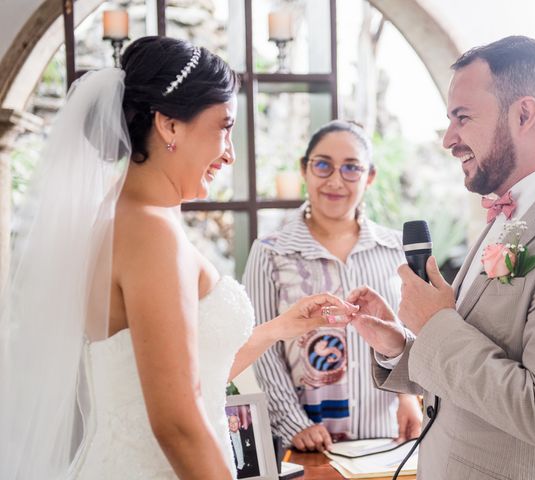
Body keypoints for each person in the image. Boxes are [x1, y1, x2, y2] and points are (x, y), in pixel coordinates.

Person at [0, 36, 357, 480]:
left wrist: (284, 327)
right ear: (170, 126)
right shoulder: (150, 231)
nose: (229, 152)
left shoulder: (126, 215)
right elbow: (177, 423)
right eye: (224, 127)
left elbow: (183, 371)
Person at [349, 36, 535, 480]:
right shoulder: (509, 217)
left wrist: (434, 326)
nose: (449, 139)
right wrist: (402, 347)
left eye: (462, 118)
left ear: (524, 114)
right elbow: (476, 376)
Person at [242, 120, 423, 452]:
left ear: (369, 177)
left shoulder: (396, 250)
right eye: (323, 165)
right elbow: (262, 344)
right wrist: (293, 423)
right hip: (307, 442)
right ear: (305, 170)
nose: (336, 181)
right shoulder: (270, 251)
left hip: (385, 441)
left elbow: (409, 334)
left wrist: (408, 395)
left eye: (351, 168)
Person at [227, 413, 259, 479]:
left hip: (249, 469)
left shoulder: (246, 434)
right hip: (235, 472)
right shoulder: (226, 439)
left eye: (235, 422)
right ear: (228, 424)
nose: (233, 424)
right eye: (231, 422)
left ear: (238, 423)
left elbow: (253, 451)